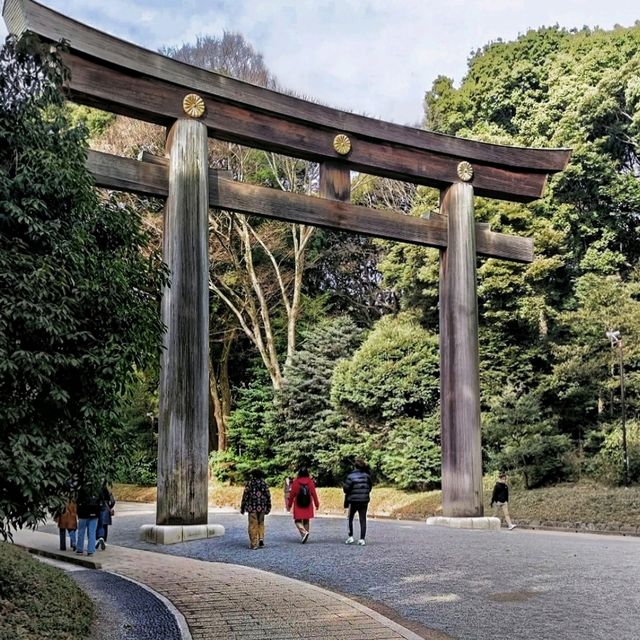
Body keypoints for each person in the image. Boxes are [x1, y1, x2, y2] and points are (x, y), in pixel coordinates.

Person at [343, 459, 373, 546]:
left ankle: (350, 536)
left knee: (350, 518)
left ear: (355, 466)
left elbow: (346, 489)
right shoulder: (367, 476)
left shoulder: (350, 476)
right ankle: (362, 539)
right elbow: (370, 488)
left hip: (353, 500)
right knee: (363, 519)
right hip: (364, 500)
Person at [240, 469, 272, 550]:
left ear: (253, 475)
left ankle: (254, 544)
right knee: (261, 523)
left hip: (252, 507)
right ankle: (261, 539)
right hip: (262, 507)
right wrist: (268, 507)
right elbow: (268, 495)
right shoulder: (264, 483)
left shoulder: (250, 483)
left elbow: (245, 495)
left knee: (252, 525)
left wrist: (243, 507)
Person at [287, 467, 319, 543]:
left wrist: (289, 505)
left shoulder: (296, 482)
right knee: (306, 520)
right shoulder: (310, 482)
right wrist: (317, 504)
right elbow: (314, 494)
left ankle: (304, 533)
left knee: (297, 520)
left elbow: (292, 495)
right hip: (308, 504)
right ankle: (305, 536)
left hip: (298, 504)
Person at [75, 484, 101, 556]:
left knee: (81, 531)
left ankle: (80, 549)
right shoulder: (97, 489)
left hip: (83, 514)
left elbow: (77, 500)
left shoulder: (82, 488)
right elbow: (102, 500)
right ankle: (90, 550)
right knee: (92, 532)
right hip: (94, 514)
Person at [96, 481, 116, 551]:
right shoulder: (108, 491)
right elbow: (113, 501)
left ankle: (98, 538)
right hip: (106, 509)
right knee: (105, 526)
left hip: (98, 509)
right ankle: (104, 540)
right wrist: (110, 507)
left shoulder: (96, 490)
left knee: (98, 525)